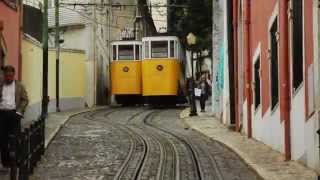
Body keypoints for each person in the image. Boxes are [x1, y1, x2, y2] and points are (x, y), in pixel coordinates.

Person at [0, 65, 28, 169]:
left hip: (14, 114)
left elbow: (25, 99)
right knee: (2, 139)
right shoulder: (1, 85)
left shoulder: (19, 86)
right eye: (7, 76)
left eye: (11, 76)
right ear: (4, 75)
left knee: (15, 138)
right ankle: (5, 162)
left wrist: (19, 112)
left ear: (14, 75)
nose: (8, 78)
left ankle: (17, 160)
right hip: (2, 114)